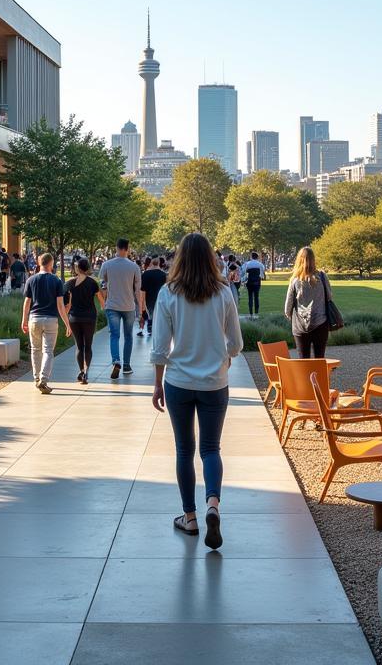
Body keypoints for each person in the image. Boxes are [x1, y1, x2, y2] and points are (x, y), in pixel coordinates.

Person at [151, 232, 242, 550]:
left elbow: (160, 347)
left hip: (178, 381)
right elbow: (237, 343)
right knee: (211, 449)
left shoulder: (168, 292)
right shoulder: (223, 292)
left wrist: (156, 384)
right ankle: (213, 505)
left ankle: (189, 518)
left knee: (184, 451)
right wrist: (225, 359)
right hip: (215, 383)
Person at [20, 252, 69, 393]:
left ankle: (36, 379)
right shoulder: (57, 281)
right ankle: (44, 379)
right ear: (51, 264)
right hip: (51, 320)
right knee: (48, 351)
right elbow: (60, 305)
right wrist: (67, 323)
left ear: (39, 263)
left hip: (34, 319)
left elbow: (26, 303)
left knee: (35, 350)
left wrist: (24, 320)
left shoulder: (31, 280)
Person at [99, 237, 143, 379]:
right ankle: (127, 365)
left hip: (112, 305)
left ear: (116, 248)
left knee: (114, 335)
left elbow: (102, 284)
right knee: (128, 336)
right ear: (127, 248)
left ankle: (116, 360)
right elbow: (137, 290)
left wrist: (104, 299)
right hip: (129, 306)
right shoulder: (134, 267)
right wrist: (141, 309)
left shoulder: (106, 265)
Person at [283, 246, 335, 358]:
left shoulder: (295, 280)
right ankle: (319, 376)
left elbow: (288, 308)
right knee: (319, 358)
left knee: (303, 360)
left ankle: (305, 376)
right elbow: (329, 297)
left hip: (300, 325)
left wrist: (291, 316)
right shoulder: (321, 276)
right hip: (320, 322)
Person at [64, 256, 102, 384]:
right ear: (88, 268)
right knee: (88, 346)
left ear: (77, 268)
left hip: (74, 317)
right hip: (90, 317)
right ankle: (86, 372)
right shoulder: (93, 283)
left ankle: (81, 370)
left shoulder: (70, 283)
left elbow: (67, 304)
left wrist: (66, 322)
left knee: (79, 347)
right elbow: (102, 301)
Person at [141, 255, 168, 336]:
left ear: (151, 263)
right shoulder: (164, 275)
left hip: (149, 300)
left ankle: (150, 327)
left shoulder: (145, 274)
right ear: (159, 262)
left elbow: (142, 291)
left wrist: (142, 304)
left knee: (150, 315)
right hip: (161, 300)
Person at [241, 252, 266, 319]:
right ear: (257, 257)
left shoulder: (247, 264)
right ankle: (256, 312)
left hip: (249, 282)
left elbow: (243, 271)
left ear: (251, 257)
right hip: (257, 282)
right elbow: (262, 272)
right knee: (256, 297)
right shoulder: (260, 264)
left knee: (250, 297)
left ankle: (251, 312)